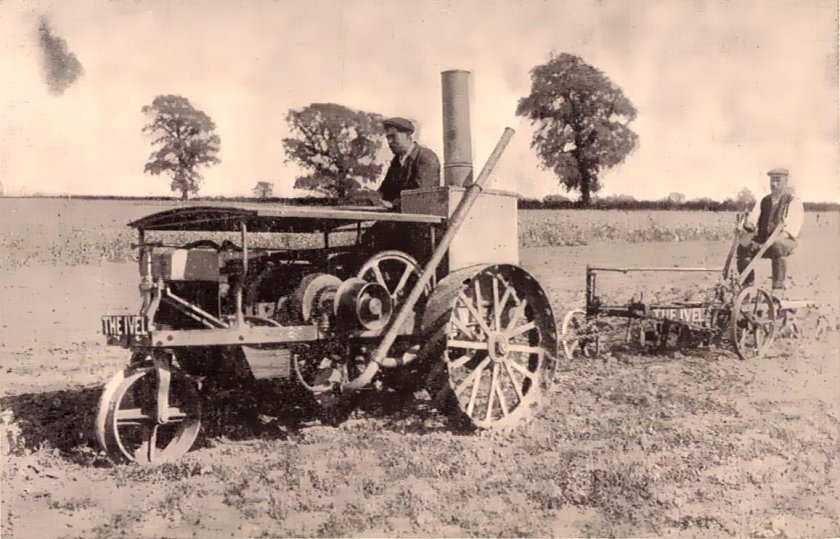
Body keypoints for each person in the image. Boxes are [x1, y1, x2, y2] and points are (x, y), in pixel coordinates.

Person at [736, 168, 805, 291]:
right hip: (763, 241)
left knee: (776, 246)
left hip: (786, 241)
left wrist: (772, 240)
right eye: (772, 180)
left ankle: (778, 287)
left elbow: (791, 230)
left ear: (786, 181)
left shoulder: (793, 202)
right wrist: (746, 226)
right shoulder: (764, 201)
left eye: (778, 180)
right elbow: (753, 222)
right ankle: (747, 285)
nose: (774, 184)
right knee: (743, 247)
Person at [376, 117, 441, 209]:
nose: (389, 142)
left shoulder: (426, 157)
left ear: (408, 135)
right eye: (388, 138)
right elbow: (385, 191)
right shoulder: (396, 161)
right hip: (400, 214)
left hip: (421, 215)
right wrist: (371, 197)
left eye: (393, 136)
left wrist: (393, 204)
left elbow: (422, 195)